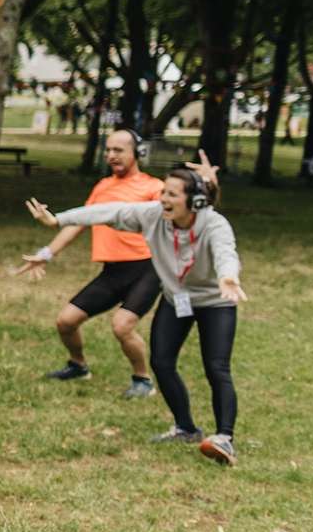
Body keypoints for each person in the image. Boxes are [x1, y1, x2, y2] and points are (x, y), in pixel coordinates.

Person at [25, 163, 246, 465]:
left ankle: (225, 438)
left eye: (172, 194)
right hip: (176, 297)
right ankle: (186, 427)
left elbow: (225, 252)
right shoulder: (153, 216)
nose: (163, 199)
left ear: (194, 201)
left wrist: (228, 276)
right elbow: (107, 212)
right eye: (163, 192)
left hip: (215, 300)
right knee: (161, 362)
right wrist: (57, 220)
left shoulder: (213, 224)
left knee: (216, 367)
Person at [11, 133, 213, 396]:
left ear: (137, 152)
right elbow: (81, 221)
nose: (111, 156)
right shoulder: (103, 187)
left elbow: (182, 212)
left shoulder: (153, 187)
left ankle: (143, 380)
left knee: (122, 325)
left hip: (147, 268)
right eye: (108, 150)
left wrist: (208, 184)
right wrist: (47, 253)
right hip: (113, 270)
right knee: (66, 322)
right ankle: (78, 366)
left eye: (119, 150)